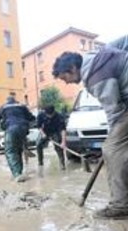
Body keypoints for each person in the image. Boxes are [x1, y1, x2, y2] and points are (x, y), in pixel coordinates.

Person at [52, 35, 128, 219]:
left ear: (73, 68)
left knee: (111, 150)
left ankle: (120, 206)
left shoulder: (95, 76)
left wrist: (112, 138)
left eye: (65, 78)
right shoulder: (98, 53)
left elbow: (115, 112)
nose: (67, 83)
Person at [0, 96, 35, 182]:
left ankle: (17, 174)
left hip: (11, 129)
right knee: (18, 151)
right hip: (23, 130)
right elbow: (32, 118)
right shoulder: (22, 106)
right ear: (15, 101)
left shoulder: (3, 107)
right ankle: (19, 173)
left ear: (7, 101)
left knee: (10, 151)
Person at [36, 105, 66, 171]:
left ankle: (62, 164)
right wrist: (43, 134)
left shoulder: (59, 116)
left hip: (55, 132)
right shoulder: (41, 115)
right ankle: (40, 163)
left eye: (51, 114)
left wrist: (63, 142)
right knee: (38, 145)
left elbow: (63, 130)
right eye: (48, 115)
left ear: (54, 112)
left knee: (58, 147)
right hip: (44, 132)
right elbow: (39, 126)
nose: (50, 116)